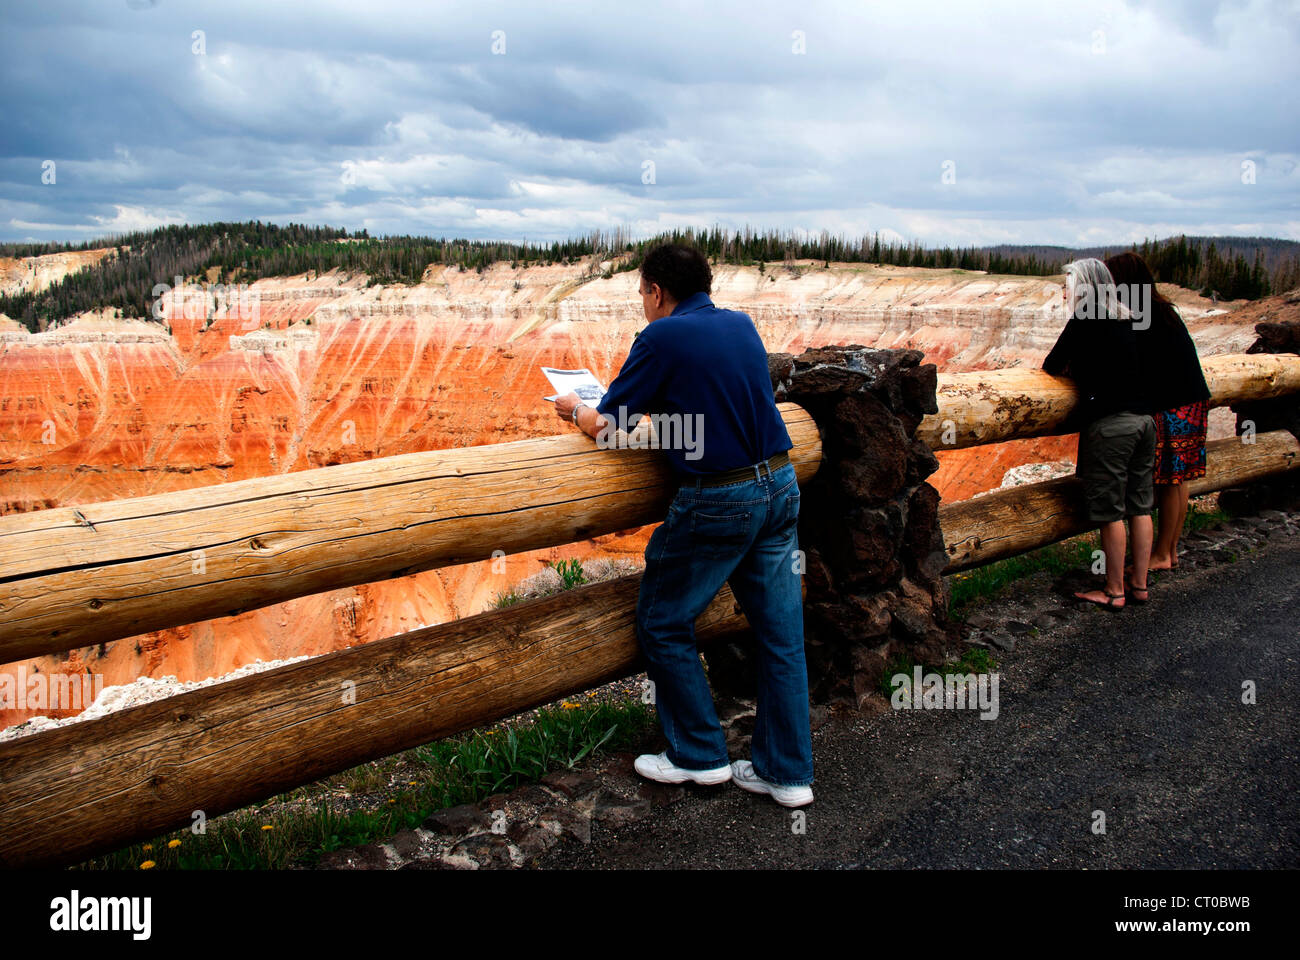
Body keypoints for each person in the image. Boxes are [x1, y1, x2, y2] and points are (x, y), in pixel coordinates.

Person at [553, 242, 814, 807]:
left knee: (664, 618)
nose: (643, 304)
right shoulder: (740, 324)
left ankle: (699, 755)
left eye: (642, 293)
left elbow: (606, 428)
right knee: (780, 635)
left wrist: (574, 407)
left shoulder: (661, 337)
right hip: (780, 484)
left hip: (720, 498)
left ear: (657, 291)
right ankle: (787, 774)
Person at [1042, 258, 1155, 610]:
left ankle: (1113, 590)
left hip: (1111, 426)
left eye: (1068, 285)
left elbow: (1051, 365)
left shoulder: (1084, 319)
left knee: (1110, 512)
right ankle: (1139, 585)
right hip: (1143, 422)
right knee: (1140, 506)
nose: (1064, 292)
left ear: (1083, 287)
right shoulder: (1125, 319)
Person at [1105, 251, 1211, 572]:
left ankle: (1161, 554)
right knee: (1178, 480)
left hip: (1170, 404)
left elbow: (1127, 363)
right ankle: (1171, 549)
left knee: (1167, 481)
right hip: (1191, 399)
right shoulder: (1161, 308)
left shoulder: (1138, 313)